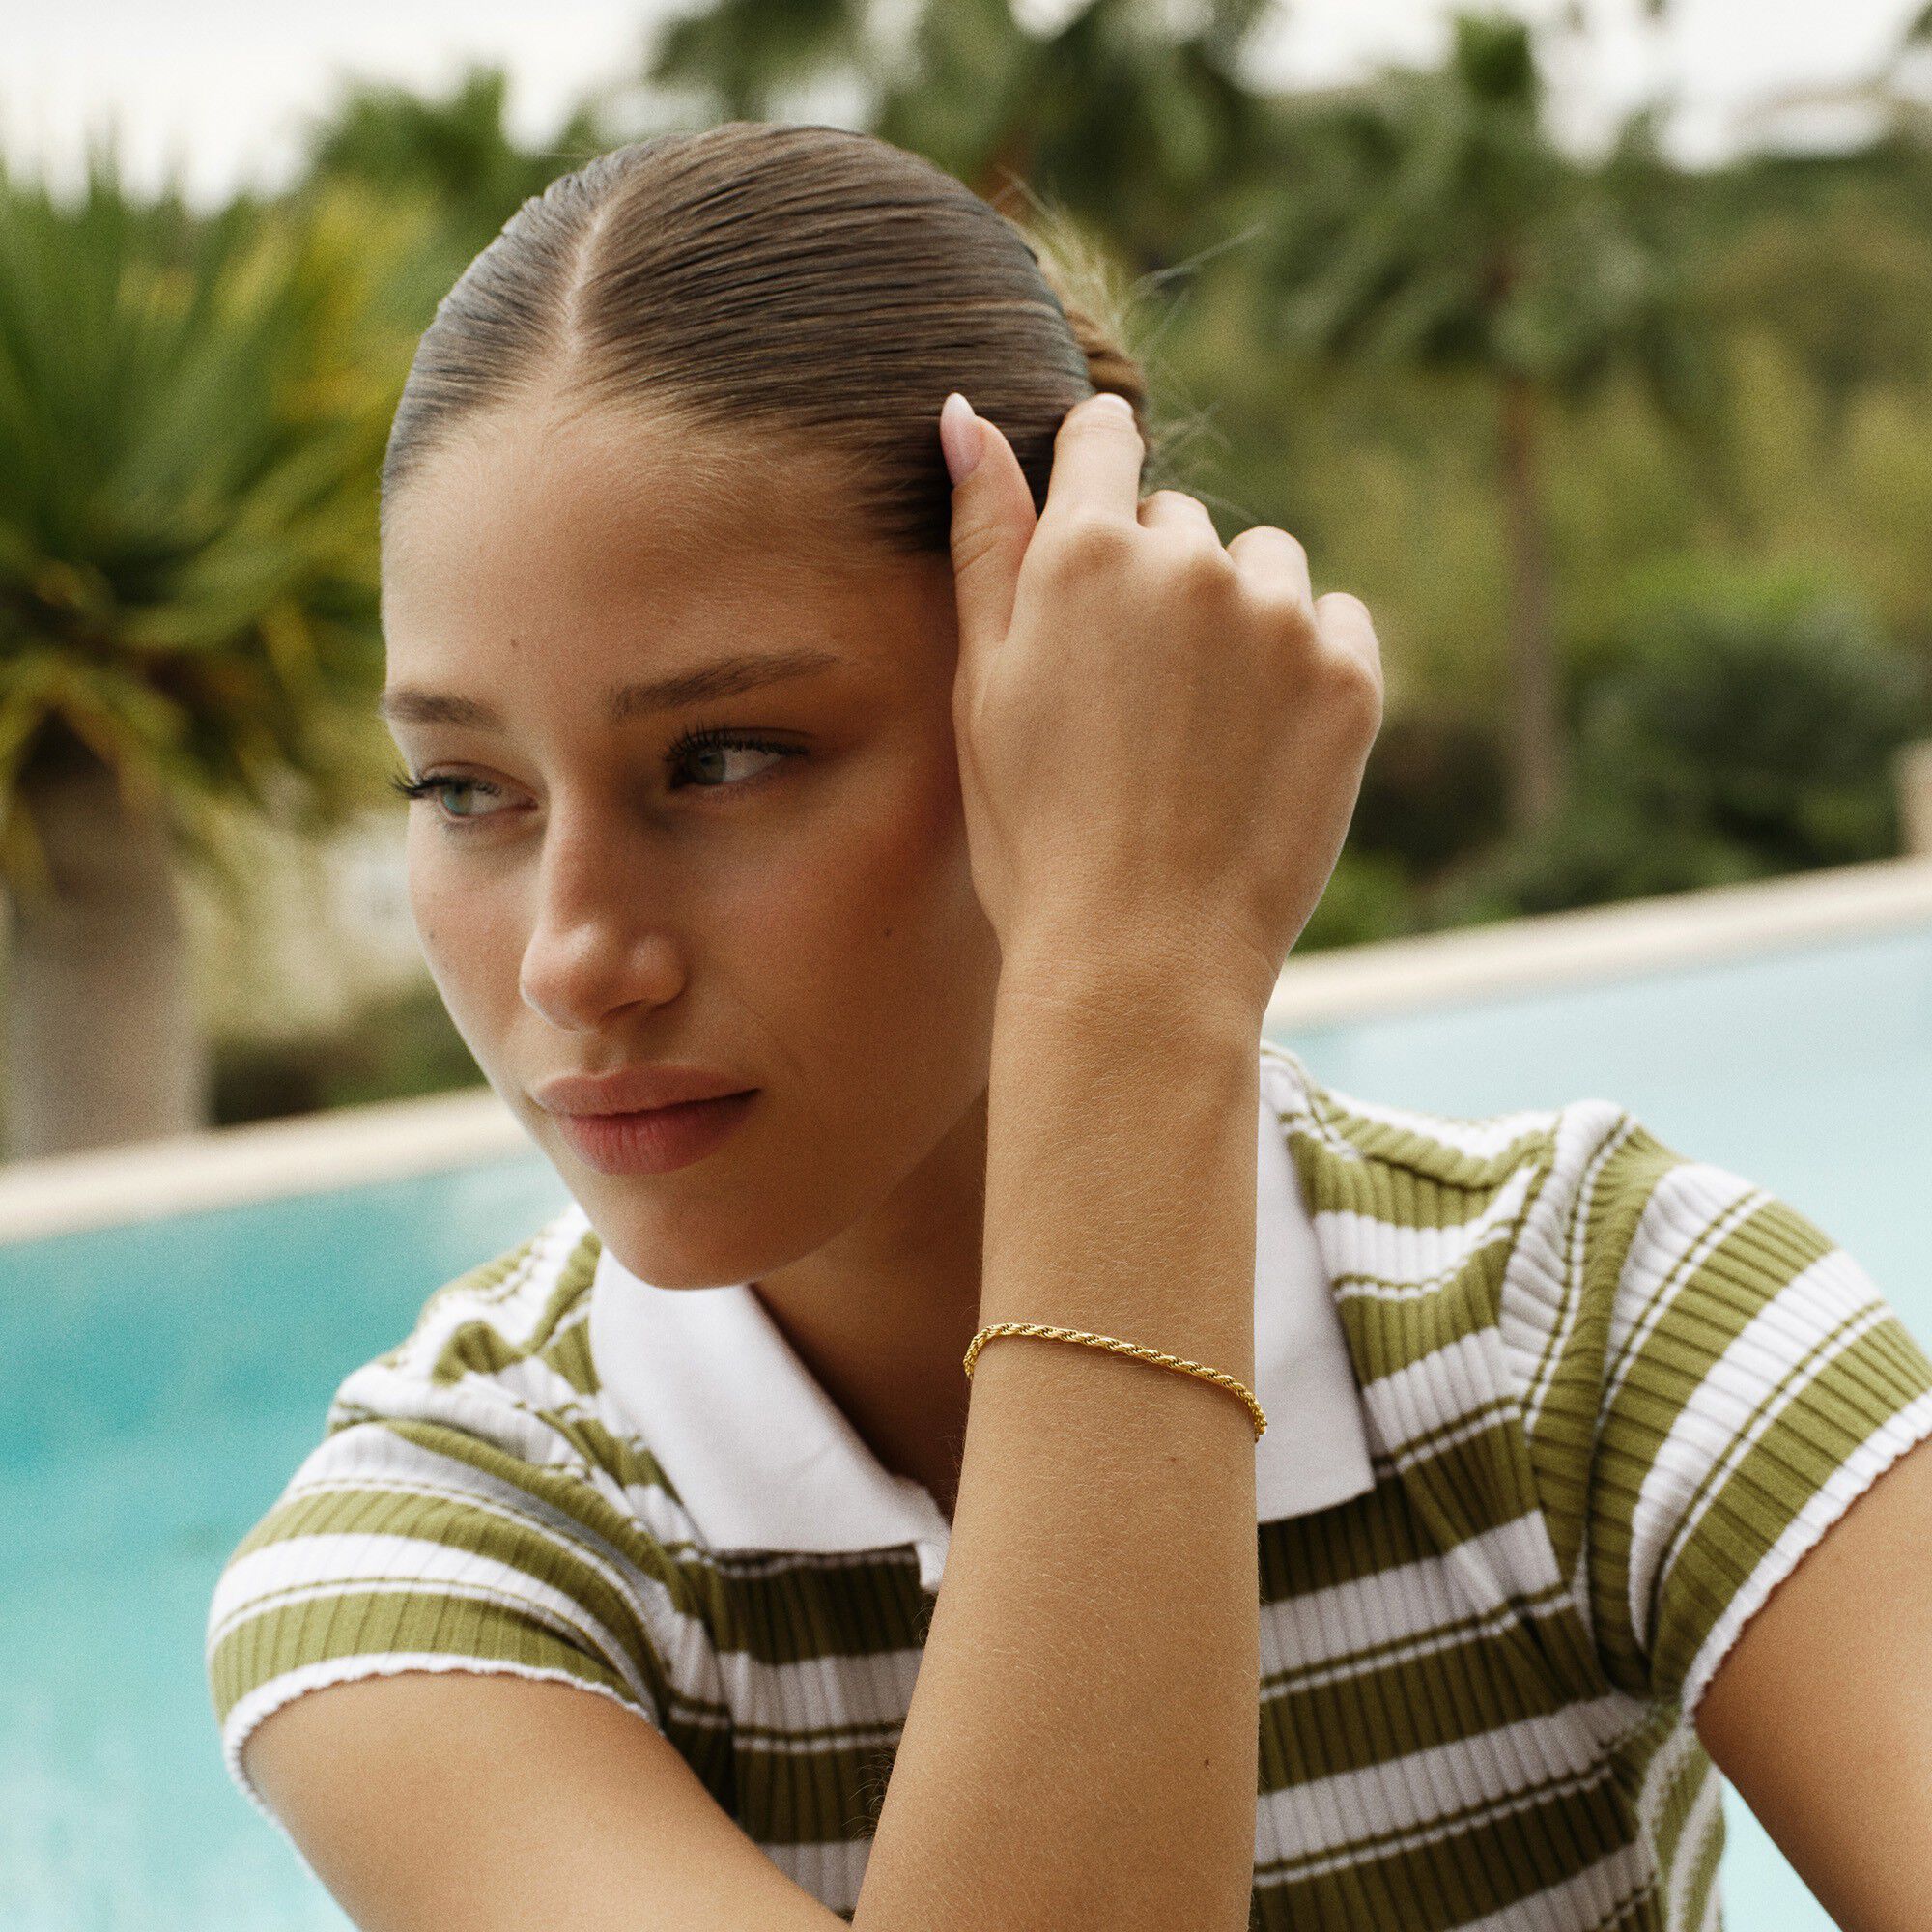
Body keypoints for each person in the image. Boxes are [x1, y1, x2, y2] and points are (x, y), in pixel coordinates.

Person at [205, 122, 1932, 1931]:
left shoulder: (1599, 1327)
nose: (573, 956)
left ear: (1058, 702)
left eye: (722, 759)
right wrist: (1143, 994)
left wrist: (1131, 976)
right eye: (463, 787)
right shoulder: (440, 1556)